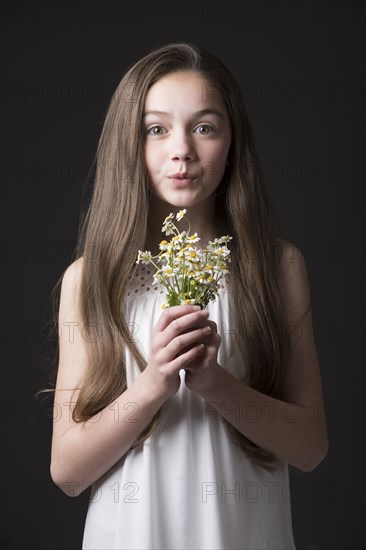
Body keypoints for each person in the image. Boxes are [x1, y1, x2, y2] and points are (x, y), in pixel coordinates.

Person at [47, 42, 328, 549]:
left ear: (231, 142)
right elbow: (67, 471)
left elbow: (310, 447)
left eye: (204, 127)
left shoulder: (276, 267)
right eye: (156, 129)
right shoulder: (90, 280)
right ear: (129, 145)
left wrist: (216, 384)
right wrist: (154, 383)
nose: (182, 149)